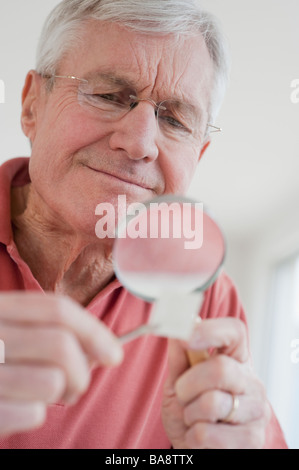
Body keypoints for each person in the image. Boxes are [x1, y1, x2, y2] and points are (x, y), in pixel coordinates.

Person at [0, 0, 287, 449]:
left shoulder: (206, 295)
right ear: (32, 104)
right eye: (109, 95)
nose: (139, 144)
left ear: (198, 156)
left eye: (174, 119)